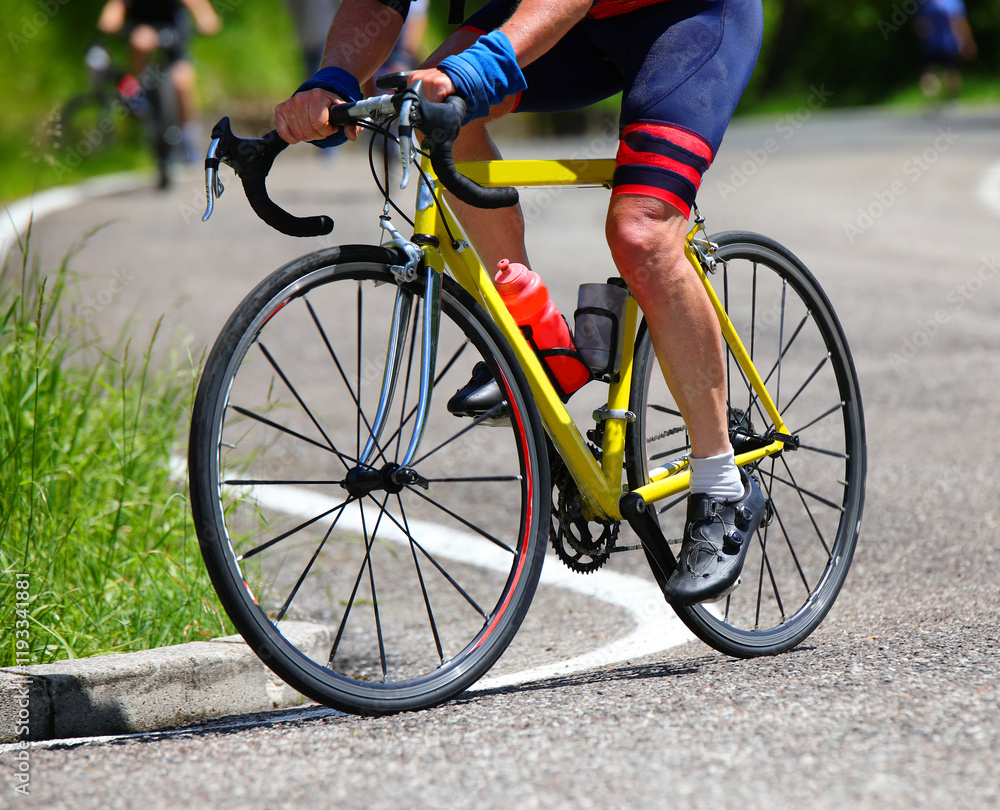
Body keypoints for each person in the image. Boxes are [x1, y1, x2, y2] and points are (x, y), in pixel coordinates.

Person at [273, 0, 767, 607]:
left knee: (641, 232)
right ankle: (540, 339)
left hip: (686, 19)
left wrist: (487, 63)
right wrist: (333, 77)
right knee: (426, 109)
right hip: (563, 23)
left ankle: (721, 481)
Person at [97, 0, 222, 160]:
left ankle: (188, 138)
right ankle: (136, 90)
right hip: (143, 31)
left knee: (182, 82)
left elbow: (199, 6)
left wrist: (206, 19)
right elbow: (117, 6)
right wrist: (110, 20)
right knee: (141, 42)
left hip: (174, 34)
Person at [914, 0, 977, 106]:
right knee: (952, 71)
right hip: (950, 43)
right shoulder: (953, 3)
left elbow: (918, 24)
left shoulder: (927, 4)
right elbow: (960, 22)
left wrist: (924, 36)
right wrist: (968, 41)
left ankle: (932, 98)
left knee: (930, 72)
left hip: (931, 43)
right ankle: (950, 100)